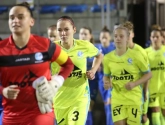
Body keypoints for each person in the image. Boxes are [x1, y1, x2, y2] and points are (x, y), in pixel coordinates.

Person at [0, 2, 73, 125]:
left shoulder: (46, 45)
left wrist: (56, 82)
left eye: (20, 17)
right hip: (11, 116)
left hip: (41, 112)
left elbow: (68, 64)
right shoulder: (1, 49)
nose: (15, 20)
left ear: (31, 22)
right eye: (12, 17)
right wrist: (3, 91)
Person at [53, 16, 103, 125]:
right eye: (60, 30)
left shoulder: (83, 45)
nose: (63, 33)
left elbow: (99, 55)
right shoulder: (52, 48)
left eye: (66, 29)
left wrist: (93, 70)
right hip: (60, 99)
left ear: (74, 29)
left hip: (79, 97)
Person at [103, 26, 152, 125]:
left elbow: (148, 74)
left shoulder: (136, 55)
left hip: (134, 98)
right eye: (116, 36)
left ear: (127, 37)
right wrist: (106, 82)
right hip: (117, 98)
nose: (118, 38)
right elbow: (106, 75)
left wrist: (134, 84)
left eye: (121, 36)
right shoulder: (108, 58)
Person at [121, 21, 150, 125]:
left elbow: (147, 73)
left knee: (143, 117)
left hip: (139, 91)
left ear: (133, 34)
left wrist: (145, 91)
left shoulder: (141, 52)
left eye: (129, 33)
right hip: (125, 93)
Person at [79, 26, 98, 125]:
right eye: (81, 34)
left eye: (85, 34)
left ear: (90, 36)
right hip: (78, 82)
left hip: (92, 82)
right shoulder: (75, 49)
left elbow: (101, 60)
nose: (83, 36)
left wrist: (94, 69)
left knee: (89, 107)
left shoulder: (95, 50)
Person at [145, 29, 165, 125]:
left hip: (164, 87)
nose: (155, 39)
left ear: (161, 37)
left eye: (157, 36)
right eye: (153, 37)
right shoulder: (146, 52)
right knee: (155, 111)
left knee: (164, 112)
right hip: (152, 88)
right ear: (150, 38)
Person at [98, 26, 115, 125]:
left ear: (110, 38)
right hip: (102, 80)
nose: (104, 39)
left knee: (110, 103)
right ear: (99, 38)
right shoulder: (97, 49)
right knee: (106, 104)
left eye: (106, 37)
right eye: (102, 37)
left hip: (113, 79)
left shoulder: (114, 48)